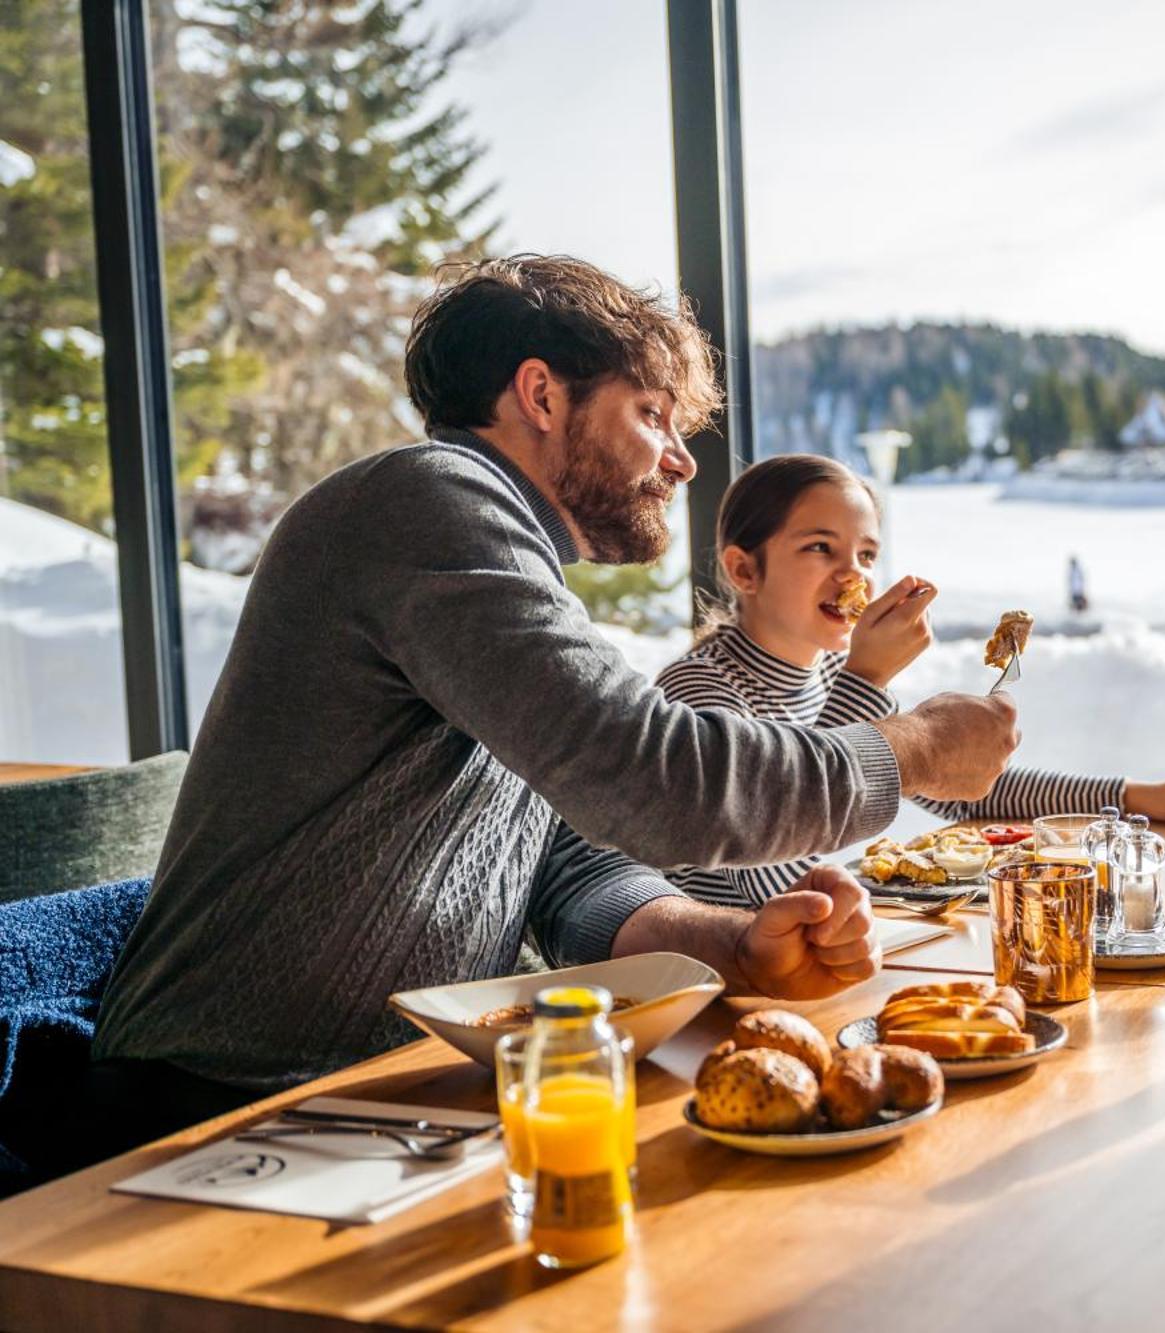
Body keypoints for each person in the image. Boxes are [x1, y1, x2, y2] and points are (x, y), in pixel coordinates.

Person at [91, 256, 1021, 1139]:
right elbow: (657, 783)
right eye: (653, 414)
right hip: (210, 1103)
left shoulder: (494, 564)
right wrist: (915, 747)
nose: (682, 461)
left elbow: (572, 867)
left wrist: (733, 946)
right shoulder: (429, 502)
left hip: (389, 1093)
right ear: (540, 395)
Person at [652, 454, 1165, 907]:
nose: (851, 575)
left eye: (864, 555)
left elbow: (964, 786)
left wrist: (1129, 795)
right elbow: (767, 879)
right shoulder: (701, 694)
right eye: (819, 548)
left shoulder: (832, 673)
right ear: (744, 569)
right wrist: (867, 677)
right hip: (728, 983)